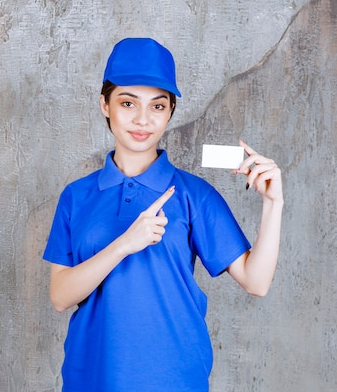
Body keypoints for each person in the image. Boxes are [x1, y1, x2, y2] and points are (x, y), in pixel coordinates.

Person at [43, 37, 283, 392]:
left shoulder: (193, 195)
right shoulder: (77, 196)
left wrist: (273, 203)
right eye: (128, 103)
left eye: (157, 106)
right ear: (105, 105)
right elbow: (60, 296)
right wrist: (124, 244)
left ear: (170, 111)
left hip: (175, 380)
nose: (143, 119)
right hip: (92, 379)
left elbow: (256, 281)